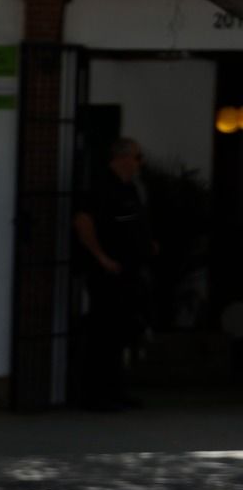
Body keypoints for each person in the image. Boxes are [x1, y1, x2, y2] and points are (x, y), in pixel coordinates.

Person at [72, 137, 155, 410]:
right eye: (137, 156)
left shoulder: (130, 188)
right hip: (107, 273)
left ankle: (115, 390)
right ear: (122, 158)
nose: (140, 162)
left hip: (128, 271)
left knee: (120, 332)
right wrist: (102, 258)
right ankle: (95, 394)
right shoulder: (101, 186)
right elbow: (83, 222)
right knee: (103, 332)